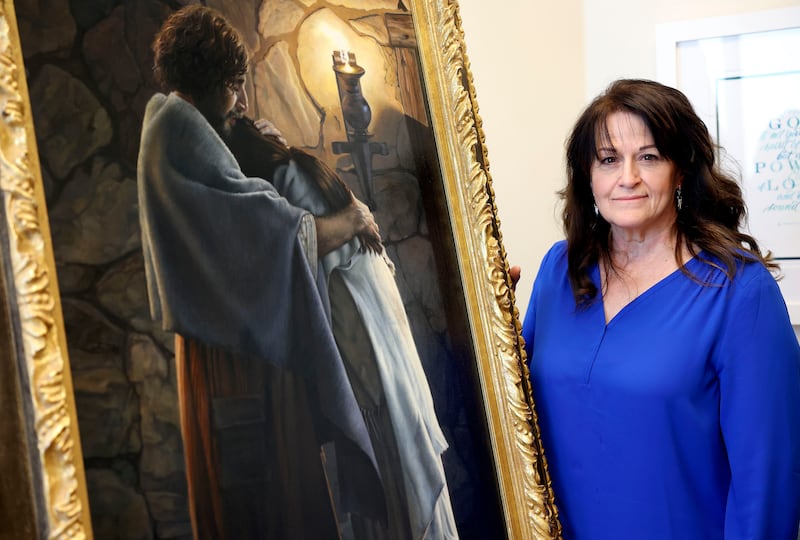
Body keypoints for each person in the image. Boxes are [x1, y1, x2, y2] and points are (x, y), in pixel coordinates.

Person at [138, 6, 386, 539]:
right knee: (268, 502)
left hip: (231, 339)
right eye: (233, 86)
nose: (242, 100)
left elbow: (236, 211)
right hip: (235, 354)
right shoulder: (178, 131)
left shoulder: (175, 129)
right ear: (205, 82)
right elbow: (267, 237)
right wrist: (351, 218)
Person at [521, 78, 800, 538]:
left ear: (681, 171)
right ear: (587, 176)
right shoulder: (558, 268)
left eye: (648, 157)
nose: (627, 177)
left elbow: (767, 483)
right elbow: (518, 412)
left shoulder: (740, 292)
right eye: (608, 160)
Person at [223, 116, 458, 538]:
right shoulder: (307, 171)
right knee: (400, 481)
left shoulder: (284, 180)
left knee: (393, 487)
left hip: (368, 362)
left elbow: (313, 264)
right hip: (383, 356)